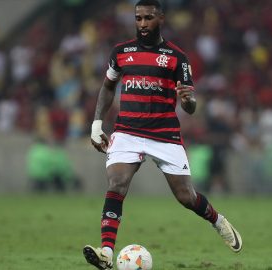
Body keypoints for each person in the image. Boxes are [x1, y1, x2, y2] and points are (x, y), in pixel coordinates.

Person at [83, 1, 242, 269]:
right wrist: (97, 123)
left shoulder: (176, 57)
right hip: (127, 131)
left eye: (148, 18)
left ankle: (218, 221)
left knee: (186, 197)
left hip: (164, 134)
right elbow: (108, 87)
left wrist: (187, 99)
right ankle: (106, 253)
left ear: (161, 18)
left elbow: (190, 108)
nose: (143, 23)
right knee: (116, 184)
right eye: (138, 18)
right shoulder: (121, 52)